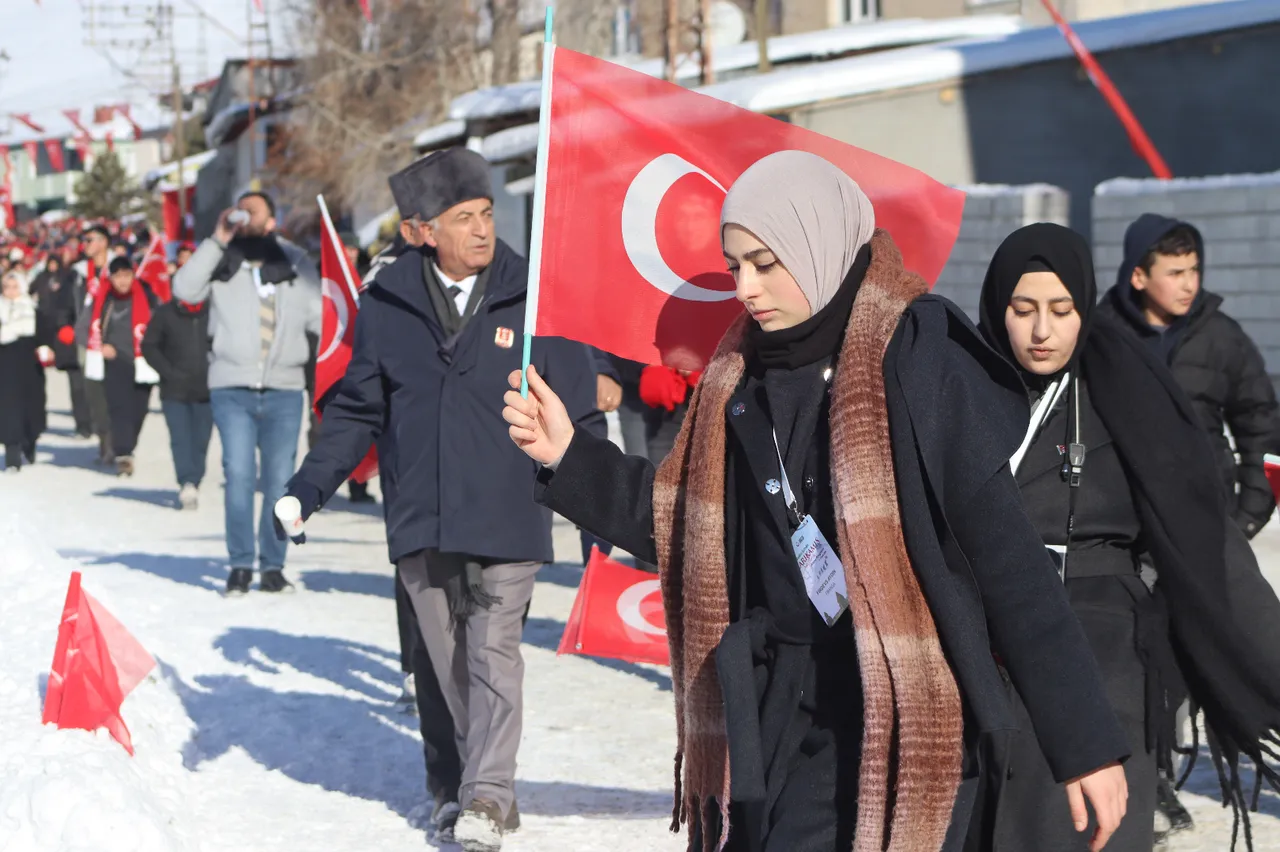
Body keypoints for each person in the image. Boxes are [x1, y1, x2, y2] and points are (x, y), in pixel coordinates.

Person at [504, 152, 1129, 852]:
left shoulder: (916, 356)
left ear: (817, 243)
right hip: (775, 708)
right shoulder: (736, 377)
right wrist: (569, 457)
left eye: (766, 263)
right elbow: (690, 529)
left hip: (897, 707)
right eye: (735, 264)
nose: (744, 286)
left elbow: (1008, 559)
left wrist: (1085, 743)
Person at [274, 147, 601, 851]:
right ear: (423, 231)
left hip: (509, 507)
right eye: (463, 219)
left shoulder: (535, 293)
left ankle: (488, 794)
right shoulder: (386, 304)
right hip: (421, 512)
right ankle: (456, 783)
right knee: (444, 664)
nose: (482, 230)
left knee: (493, 652)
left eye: (486, 214)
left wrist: (601, 508)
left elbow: (582, 413)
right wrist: (308, 488)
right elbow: (357, 411)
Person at [978, 223, 1280, 851]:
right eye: (1023, 309)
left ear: (1083, 307)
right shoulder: (965, 390)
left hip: (1106, 645)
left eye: (1061, 311)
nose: (1042, 331)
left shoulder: (1123, 385)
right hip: (985, 639)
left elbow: (1203, 543)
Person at [172, 190, 321, 596]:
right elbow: (183, 290)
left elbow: (321, 318)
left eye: (254, 211)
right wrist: (218, 237)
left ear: (272, 220)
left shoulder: (294, 261)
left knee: (279, 483)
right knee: (238, 476)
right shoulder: (221, 259)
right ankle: (240, 564)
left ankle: (272, 565)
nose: (245, 216)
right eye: (240, 209)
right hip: (232, 387)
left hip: (285, 389)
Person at [1100, 215, 1277, 540]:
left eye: (1194, 270)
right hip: (1117, 529)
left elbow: (1262, 426)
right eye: (1176, 273)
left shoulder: (1221, 336)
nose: (1190, 285)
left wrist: (1247, 517)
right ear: (1139, 277)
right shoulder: (1101, 335)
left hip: (1207, 524)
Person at [87, 257, 158, 477]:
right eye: (118, 276)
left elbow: (160, 323)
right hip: (115, 360)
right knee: (120, 410)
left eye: (127, 275)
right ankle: (124, 454)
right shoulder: (104, 299)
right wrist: (101, 346)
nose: (123, 281)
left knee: (139, 410)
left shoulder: (147, 295)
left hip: (142, 360)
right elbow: (88, 325)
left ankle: (126, 444)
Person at [141, 293, 212, 509]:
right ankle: (187, 482)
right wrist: (168, 372)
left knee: (201, 440)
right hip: (174, 391)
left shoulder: (214, 312)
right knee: (180, 438)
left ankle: (195, 479)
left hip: (207, 390)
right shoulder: (165, 313)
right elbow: (149, 346)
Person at [0, 269, 51, 472]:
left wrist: (46, 348)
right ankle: (12, 455)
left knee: (31, 408)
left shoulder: (34, 310)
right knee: (7, 411)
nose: (10, 291)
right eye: (6, 287)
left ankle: (30, 443)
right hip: (4, 369)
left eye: (15, 287)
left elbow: (45, 334)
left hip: (29, 368)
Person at [75, 224, 116, 463]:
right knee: (94, 394)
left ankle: (119, 444)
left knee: (115, 393)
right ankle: (104, 443)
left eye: (90, 239)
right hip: (86, 340)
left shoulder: (118, 269)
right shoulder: (80, 273)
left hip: (112, 341)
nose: (86, 244)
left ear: (103, 242)